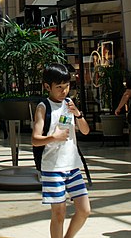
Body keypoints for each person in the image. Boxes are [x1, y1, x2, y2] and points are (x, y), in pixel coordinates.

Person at [32, 63, 91, 238]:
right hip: (52, 168)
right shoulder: (43, 107)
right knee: (59, 214)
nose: (64, 91)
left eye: (67, 86)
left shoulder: (69, 104)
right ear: (47, 87)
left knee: (85, 209)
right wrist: (53, 138)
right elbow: (35, 139)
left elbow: (86, 131)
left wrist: (78, 114)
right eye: (59, 87)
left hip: (72, 166)